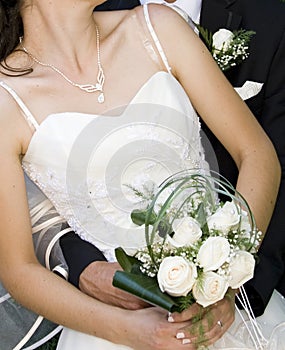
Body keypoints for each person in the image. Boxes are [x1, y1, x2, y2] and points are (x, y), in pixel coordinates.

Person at [0, 1, 281, 350]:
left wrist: (226, 276)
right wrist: (131, 330)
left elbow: (257, 153)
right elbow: (19, 271)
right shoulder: (5, 100)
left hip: (224, 313)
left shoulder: (159, 28)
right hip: (114, 330)